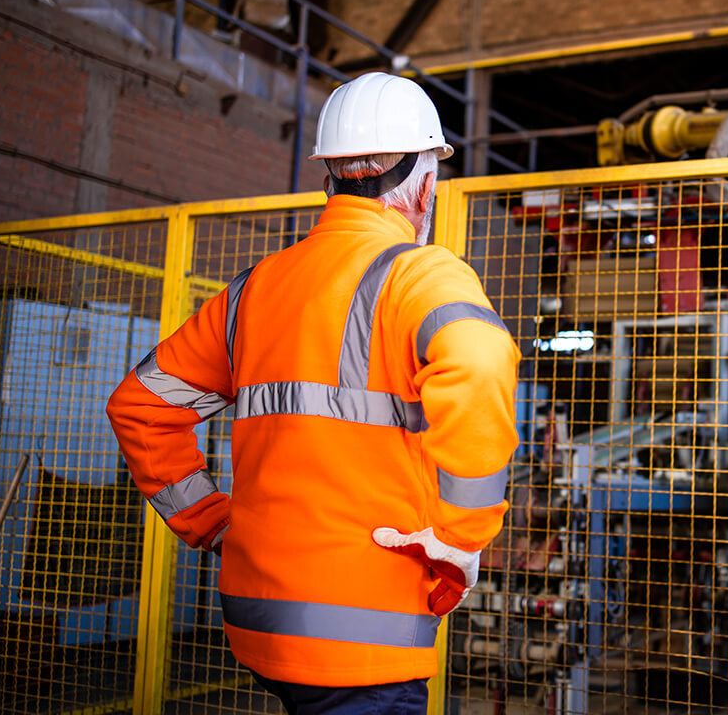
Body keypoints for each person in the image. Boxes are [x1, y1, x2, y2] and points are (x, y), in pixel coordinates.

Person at [107, 72, 519, 714]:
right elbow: (481, 358)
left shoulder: (253, 289)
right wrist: (461, 538)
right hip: (367, 638)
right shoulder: (421, 273)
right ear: (426, 182)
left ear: (329, 175)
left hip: (257, 621)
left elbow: (138, 406)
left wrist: (212, 523)